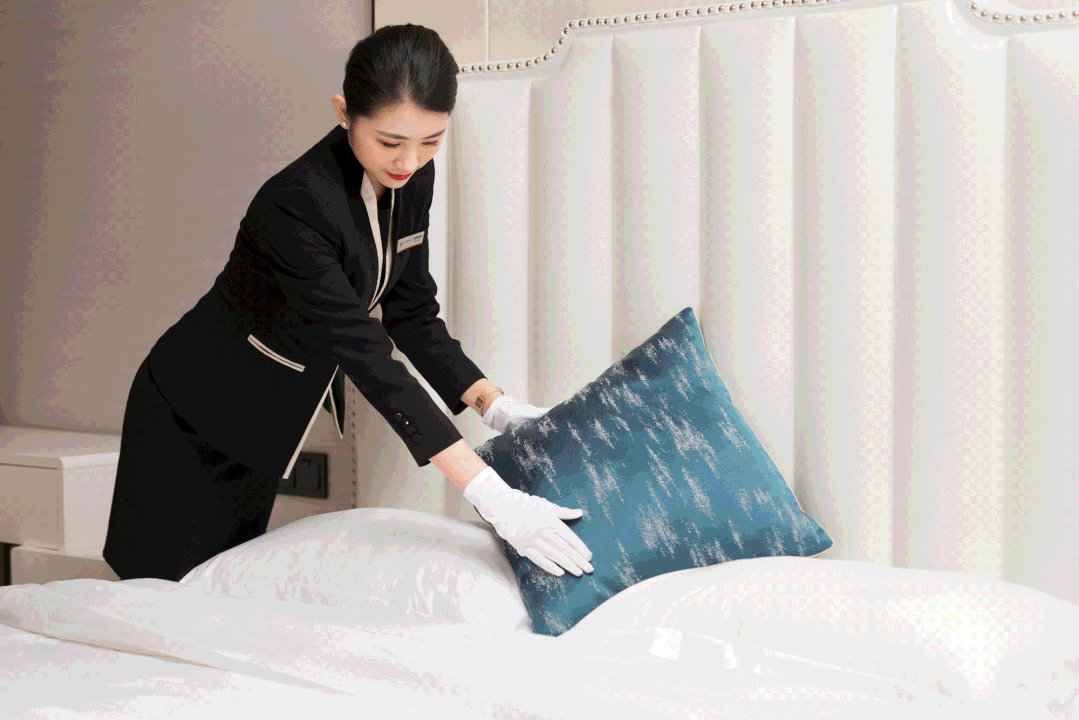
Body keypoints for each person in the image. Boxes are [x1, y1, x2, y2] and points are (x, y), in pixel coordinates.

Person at [102, 24, 593, 584]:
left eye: (432, 140)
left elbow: (411, 313)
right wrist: (490, 493)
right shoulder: (294, 205)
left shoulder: (412, 179)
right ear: (344, 113)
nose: (410, 160)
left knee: (212, 590)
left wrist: (493, 405)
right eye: (390, 142)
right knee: (157, 593)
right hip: (190, 411)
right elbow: (366, 355)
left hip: (260, 423)